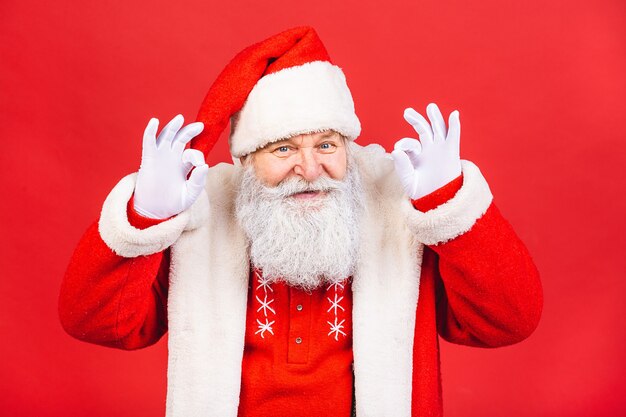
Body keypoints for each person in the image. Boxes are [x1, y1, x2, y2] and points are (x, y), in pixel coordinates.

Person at [59, 26, 543, 417]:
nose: (310, 170)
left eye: (327, 145)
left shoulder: (395, 212)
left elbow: (508, 323)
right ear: (246, 161)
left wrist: (451, 206)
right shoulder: (203, 218)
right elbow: (98, 324)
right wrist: (146, 215)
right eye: (284, 148)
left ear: (348, 150)